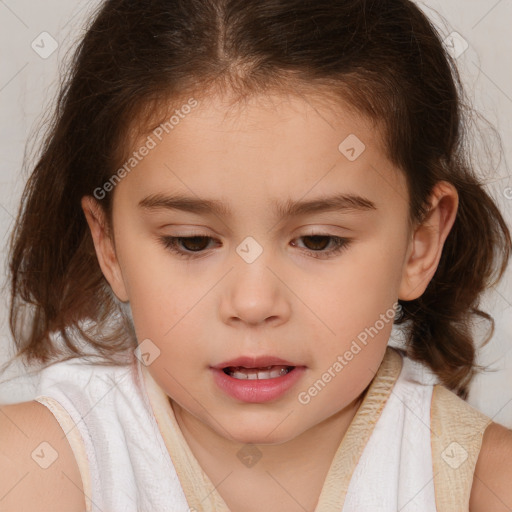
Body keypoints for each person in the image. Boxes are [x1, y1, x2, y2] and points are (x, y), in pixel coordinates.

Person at [1, 0, 511, 510]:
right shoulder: (32, 468)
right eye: (192, 242)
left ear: (418, 245)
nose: (252, 303)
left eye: (318, 241)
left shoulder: (487, 485)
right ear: (108, 246)